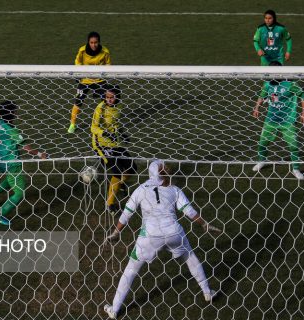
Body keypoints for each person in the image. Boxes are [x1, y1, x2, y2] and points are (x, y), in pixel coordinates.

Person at [103, 160, 221, 319]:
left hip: (150, 237)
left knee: (130, 271)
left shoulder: (140, 190)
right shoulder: (174, 190)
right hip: (174, 233)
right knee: (190, 257)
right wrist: (204, 225)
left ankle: (114, 309)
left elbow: (126, 213)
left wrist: (116, 232)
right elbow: (190, 212)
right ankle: (207, 292)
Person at [0, 100, 47, 226]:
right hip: (12, 163)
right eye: (14, 111)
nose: (16, 113)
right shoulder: (11, 130)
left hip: (0, 159)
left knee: (10, 178)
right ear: (11, 113)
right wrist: (40, 154)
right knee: (19, 192)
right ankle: (0, 215)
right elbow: (26, 147)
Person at [252, 61, 304, 180]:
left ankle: (296, 169)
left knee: (294, 146)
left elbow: (302, 95)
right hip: (271, 120)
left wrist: (303, 112)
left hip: (288, 120)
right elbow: (262, 96)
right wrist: (257, 107)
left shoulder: (290, 84)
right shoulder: (267, 84)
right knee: (263, 143)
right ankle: (262, 161)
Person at [90, 85, 136, 215]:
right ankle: (110, 204)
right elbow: (93, 127)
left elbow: (116, 124)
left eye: (112, 97)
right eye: (107, 97)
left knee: (132, 167)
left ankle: (119, 184)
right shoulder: (100, 108)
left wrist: (122, 134)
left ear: (117, 97)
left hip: (115, 142)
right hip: (101, 144)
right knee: (116, 170)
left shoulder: (118, 107)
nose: (109, 99)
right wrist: (104, 133)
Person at [68, 31, 111, 133]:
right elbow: (77, 62)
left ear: (99, 42)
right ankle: (72, 124)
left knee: (106, 102)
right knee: (78, 102)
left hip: (99, 80)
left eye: (95, 42)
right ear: (88, 42)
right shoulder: (82, 50)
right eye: (91, 42)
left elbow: (108, 65)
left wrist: (102, 73)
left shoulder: (105, 52)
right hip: (85, 80)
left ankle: (106, 123)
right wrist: (79, 72)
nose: (93, 45)